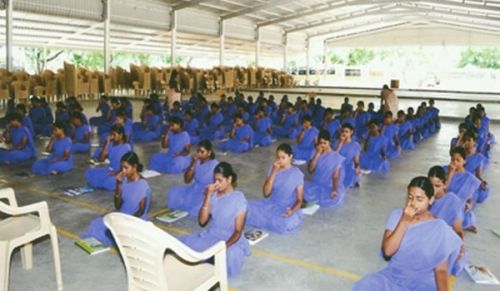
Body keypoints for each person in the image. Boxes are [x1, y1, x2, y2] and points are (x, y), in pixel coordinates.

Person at [353, 176, 462, 291]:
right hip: (395, 277)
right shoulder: (397, 215)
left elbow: (441, 270)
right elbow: (388, 251)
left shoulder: (439, 228)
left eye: (419, 199)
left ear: (430, 200)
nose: (413, 203)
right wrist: (404, 221)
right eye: (410, 198)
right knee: (367, 284)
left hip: (422, 284)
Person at [179, 162, 250, 277]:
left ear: (229, 179)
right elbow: (202, 221)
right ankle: (209, 259)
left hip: (231, 240)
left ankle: (211, 260)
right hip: (213, 236)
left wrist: (224, 247)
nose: (216, 184)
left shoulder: (239, 198)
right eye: (215, 180)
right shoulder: (214, 195)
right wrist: (208, 196)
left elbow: (238, 231)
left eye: (220, 180)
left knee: (231, 256)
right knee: (183, 243)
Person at [81, 152, 151, 246]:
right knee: (98, 225)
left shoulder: (142, 184)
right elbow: (117, 205)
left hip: (135, 221)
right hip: (123, 215)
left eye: (126, 168)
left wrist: (126, 222)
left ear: (134, 166)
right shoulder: (124, 180)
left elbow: (141, 211)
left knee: (113, 235)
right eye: (122, 168)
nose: (123, 171)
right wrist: (118, 185)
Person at [246, 143, 304, 234]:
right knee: (245, 207)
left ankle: (266, 220)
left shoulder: (297, 174)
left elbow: (299, 200)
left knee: (285, 223)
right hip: (270, 204)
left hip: (287, 208)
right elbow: (266, 193)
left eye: (283, 157)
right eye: (278, 157)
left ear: (290, 156)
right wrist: (274, 172)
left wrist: (292, 211)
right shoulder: (273, 168)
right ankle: (267, 220)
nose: (280, 160)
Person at [167, 140, 219, 216]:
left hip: (205, 192)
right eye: (197, 151)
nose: (199, 154)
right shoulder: (197, 161)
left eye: (202, 152)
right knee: (174, 192)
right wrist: (193, 163)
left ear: (209, 152)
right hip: (194, 188)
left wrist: (209, 193)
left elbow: (217, 186)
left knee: (197, 207)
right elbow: (187, 180)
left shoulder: (215, 165)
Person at [304, 130, 345, 208]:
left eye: (324, 143)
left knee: (334, 198)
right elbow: (310, 170)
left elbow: (335, 177)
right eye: (320, 143)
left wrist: (334, 190)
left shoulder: (336, 157)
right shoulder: (315, 152)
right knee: (302, 193)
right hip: (317, 183)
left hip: (329, 185)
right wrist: (318, 153)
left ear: (329, 142)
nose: (322, 145)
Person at [86, 125, 132, 191]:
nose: (112, 137)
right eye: (111, 134)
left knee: (108, 183)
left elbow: (128, 167)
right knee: (89, 172)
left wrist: (116, 172)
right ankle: (101, 181)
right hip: (110, 170)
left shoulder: (126, 147)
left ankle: (102, 182)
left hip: (121, 172)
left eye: (114, 135)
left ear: (121, 135)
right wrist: (106, 143)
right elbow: (101, 159)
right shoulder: (111, 144)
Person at [446, 146, 481, 233]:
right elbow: (442, 190)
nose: (454, 162)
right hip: (446, 202)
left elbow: (470, 197)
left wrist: (469, 204)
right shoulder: (445, 170)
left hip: (460, 207)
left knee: (464, 216)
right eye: (452, 159)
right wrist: (450, 174)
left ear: (464, 161)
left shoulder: (470, 178)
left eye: (458, 160)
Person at [462, 131, 490, 203]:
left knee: (484, 190)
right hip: (460, 177)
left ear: (474, 142)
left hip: (470, 179)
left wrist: (481, 182)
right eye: (465, 140)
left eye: (469, 140)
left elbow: (478, 175)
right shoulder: (460, 154)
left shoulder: (478, 157)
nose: (467, 143)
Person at [333, 123, 361, 188]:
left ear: (351, 132)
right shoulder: (337, 142)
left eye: (346, 132)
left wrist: (357, 167)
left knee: (354, 174)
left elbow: (356, 160)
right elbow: (334, 155)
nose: (344, 133)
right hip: (338, 165)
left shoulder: (355, 145)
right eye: (342, 131)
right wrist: (341, 142)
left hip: (348, 166)